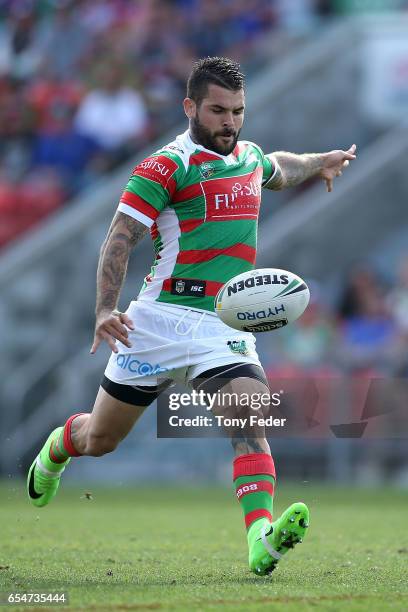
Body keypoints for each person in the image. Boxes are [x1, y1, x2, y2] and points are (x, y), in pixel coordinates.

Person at [27, 57, 356, 576]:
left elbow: (279, 166)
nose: (230, 122)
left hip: (221, 324)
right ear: (190, 107)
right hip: (156, 321)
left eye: (238, 112)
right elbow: (119, 237)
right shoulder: (165, 167)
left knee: (250, 414)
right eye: (219, 110)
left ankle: (260, 538)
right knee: (101, 440)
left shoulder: (247, 157)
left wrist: (322, 162)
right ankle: (57, 447)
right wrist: (105, 308)